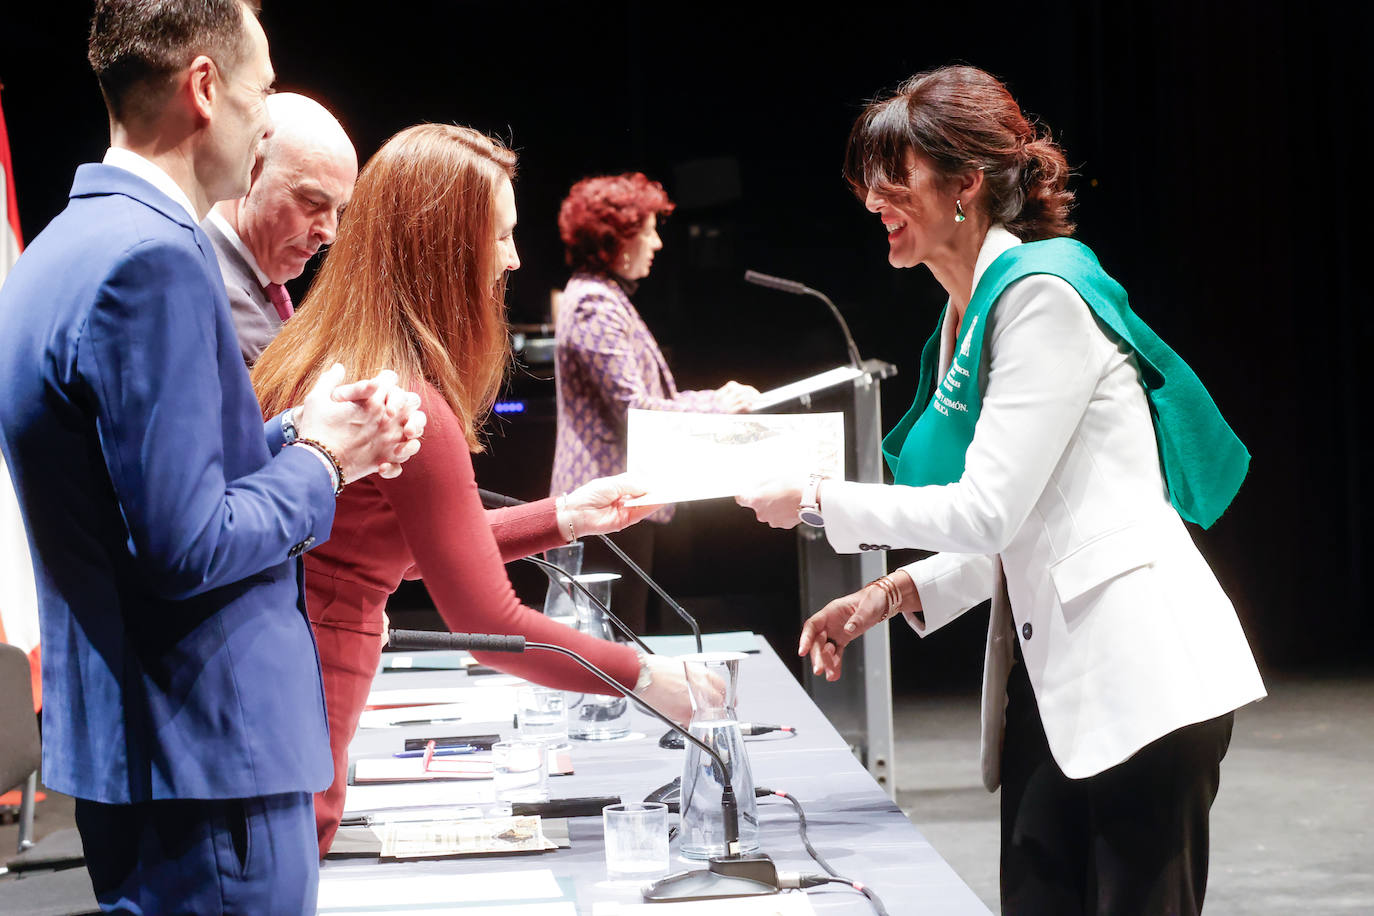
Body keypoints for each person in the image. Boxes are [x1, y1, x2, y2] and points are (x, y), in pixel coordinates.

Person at [737, 65, 1265, 915]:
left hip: (1142, 684)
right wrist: (889, 592)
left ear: (965, 184)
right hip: (1055, 691)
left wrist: (815, 497)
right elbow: (1017, 530)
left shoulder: (1042, 298)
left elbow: (988, 509)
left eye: (894, 175)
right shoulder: (965, 316)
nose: (875, 198)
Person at [0, 1, 424, 912]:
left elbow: (147, 493)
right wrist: (322, 461)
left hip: (149, 760)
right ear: (203, 87)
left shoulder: (58, 247)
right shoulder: (154, 259)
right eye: (262, 88)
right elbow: (186, 546)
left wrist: (294, 432)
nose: (266, 115)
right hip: (210, 761)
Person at [252, 124, 717, 857]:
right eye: (499, 236)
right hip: (305, 708)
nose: (514, 258)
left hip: (261, 693)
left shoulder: (324, 354)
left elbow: (401, 550)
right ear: (443, 245)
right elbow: (488, 619)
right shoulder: (407, 399)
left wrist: (562, 516)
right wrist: (650, 676)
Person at [551, 172, 759, 630]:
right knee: (608, 639)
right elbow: (634, 411)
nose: (657, 244)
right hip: (602, 502)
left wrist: (714, 398)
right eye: (648, 231)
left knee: (619, 635)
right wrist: (718, 406)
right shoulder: (594, 303)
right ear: (615, 239)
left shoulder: (602, 297)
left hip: (614, 502)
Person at [205, 91, 357, 365]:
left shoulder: (252, 280)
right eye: (313, 201)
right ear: (249, 168)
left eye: (339, 211)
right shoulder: (209, 285)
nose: (329, 233)